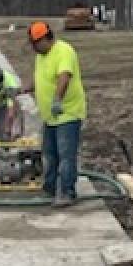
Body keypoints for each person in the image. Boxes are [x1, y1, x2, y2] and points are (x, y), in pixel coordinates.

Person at [27, 20, 86, 205]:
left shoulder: (63, 51)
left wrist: (57, 99)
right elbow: (40, 79)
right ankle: (50, 189)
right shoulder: (41, 56)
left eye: (36, 43)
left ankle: (67, 192)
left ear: (46, 38)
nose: (34, 48)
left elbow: (64, 77)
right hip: (50, 117)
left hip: (67, 113)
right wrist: (23, 89)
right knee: (49, 155)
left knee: (65, 155)